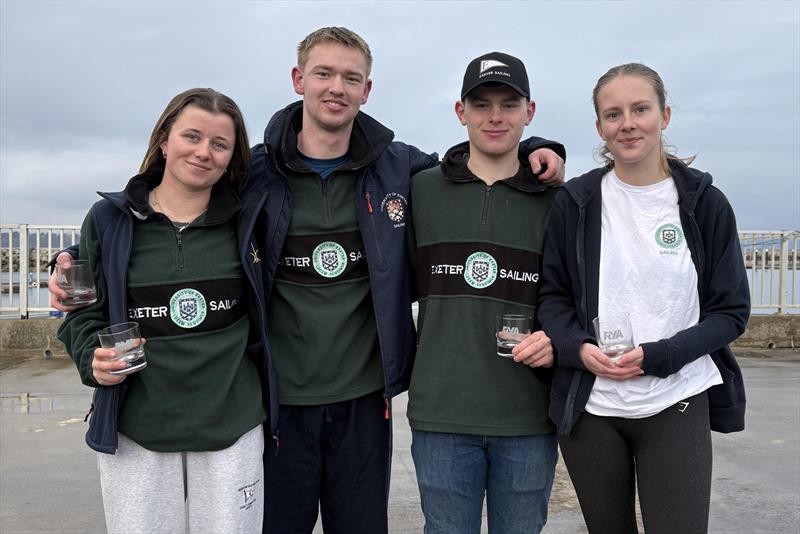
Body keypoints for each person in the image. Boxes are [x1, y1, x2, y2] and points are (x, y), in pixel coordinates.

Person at [50, 27, 565, 534]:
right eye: (323, 73)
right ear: (299, 79)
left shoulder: (398, 168)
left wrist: (539, 147)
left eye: (351, 77)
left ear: (367, 90)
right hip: (277, 400)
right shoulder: (253, 172)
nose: (336, 88)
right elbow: (167, 206)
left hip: (365, 399)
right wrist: (77, 255)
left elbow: (474, 165)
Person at [538, 63, 750, 534]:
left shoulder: (704, 203)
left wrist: (662, 355)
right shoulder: (576, 201)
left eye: (640, 109)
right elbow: (552, 297)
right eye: (613, 114)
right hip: (593, 405)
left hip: (675, 397)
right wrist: (577, 349)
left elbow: (731, 312)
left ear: (665, 116)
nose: (627, 123)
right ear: (599, 127)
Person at [56, 88, 274, 533]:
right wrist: (90, 360)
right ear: (164, 140)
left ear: (232, 158)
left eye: (219, 144)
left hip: (231, 422)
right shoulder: (107, 220)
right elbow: (80, 311)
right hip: (139, 427)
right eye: (191, 136)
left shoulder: (251, 221)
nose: (203, 152)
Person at [406, 52, 560, 534]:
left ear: (529, 112)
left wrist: (557, 337)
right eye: (482, 104)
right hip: (441, 413)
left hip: (528, 417)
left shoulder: (560, 202)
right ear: (461, 112)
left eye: (509, 104)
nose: (495, 117)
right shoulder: (419, 191)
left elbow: (578, 298)